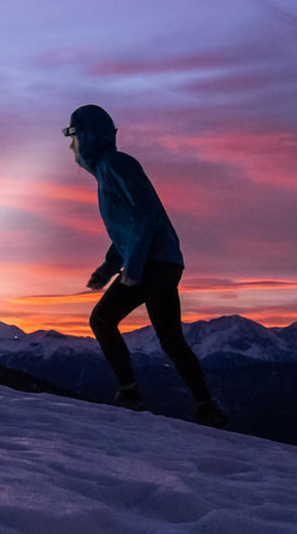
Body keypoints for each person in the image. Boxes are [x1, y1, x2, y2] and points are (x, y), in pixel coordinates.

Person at [65, 104, 229, 429]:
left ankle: (130, 394)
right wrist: (109, 267)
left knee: (102, 319)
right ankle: (207, 407)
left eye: (73, 137)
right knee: (170, 339)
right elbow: (128, 229)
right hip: (165, 263)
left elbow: (145, 212)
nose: (71, 147)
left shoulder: (115, 164)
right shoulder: (109, 170)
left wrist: (134, 266)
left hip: (153, 263)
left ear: (87, 137)